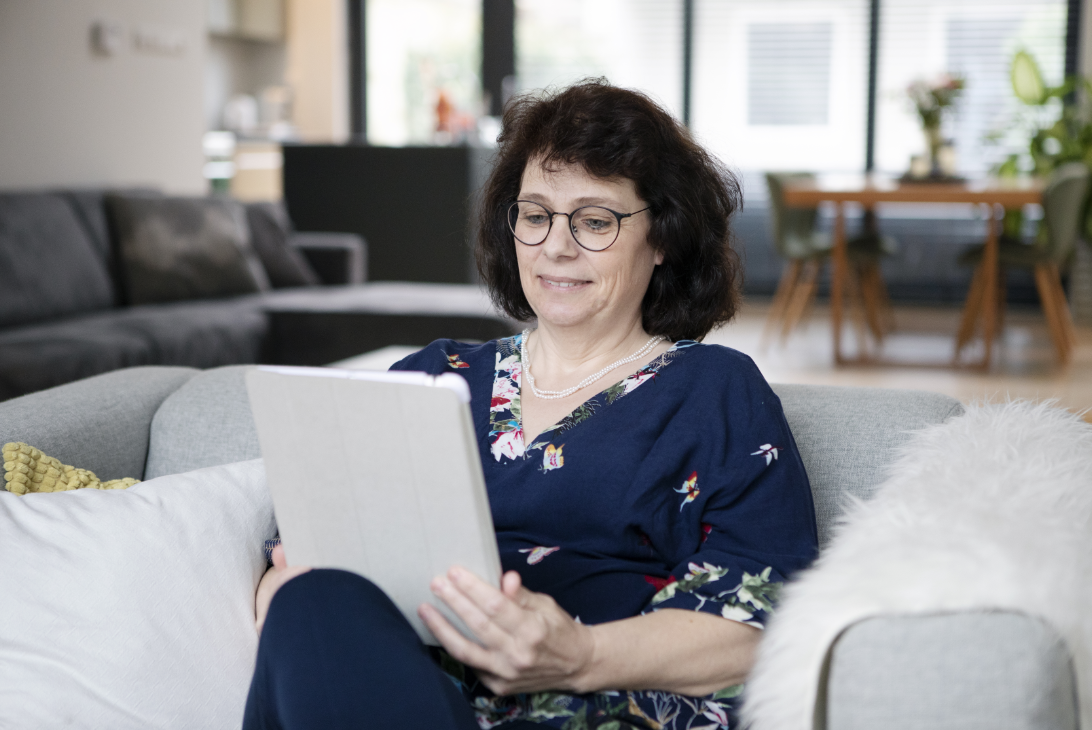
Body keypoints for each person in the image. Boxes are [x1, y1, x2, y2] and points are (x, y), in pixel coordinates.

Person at [244, 80, 818, 730]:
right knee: (312, 602)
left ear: (662, 239)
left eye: (595, 221)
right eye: (537, 214)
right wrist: (286, 588)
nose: (557, 246)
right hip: (398, 688)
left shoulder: (715, 390)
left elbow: (758, 625)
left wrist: (579, 655)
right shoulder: (430, 377)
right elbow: (292, 565)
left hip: (589, 705)